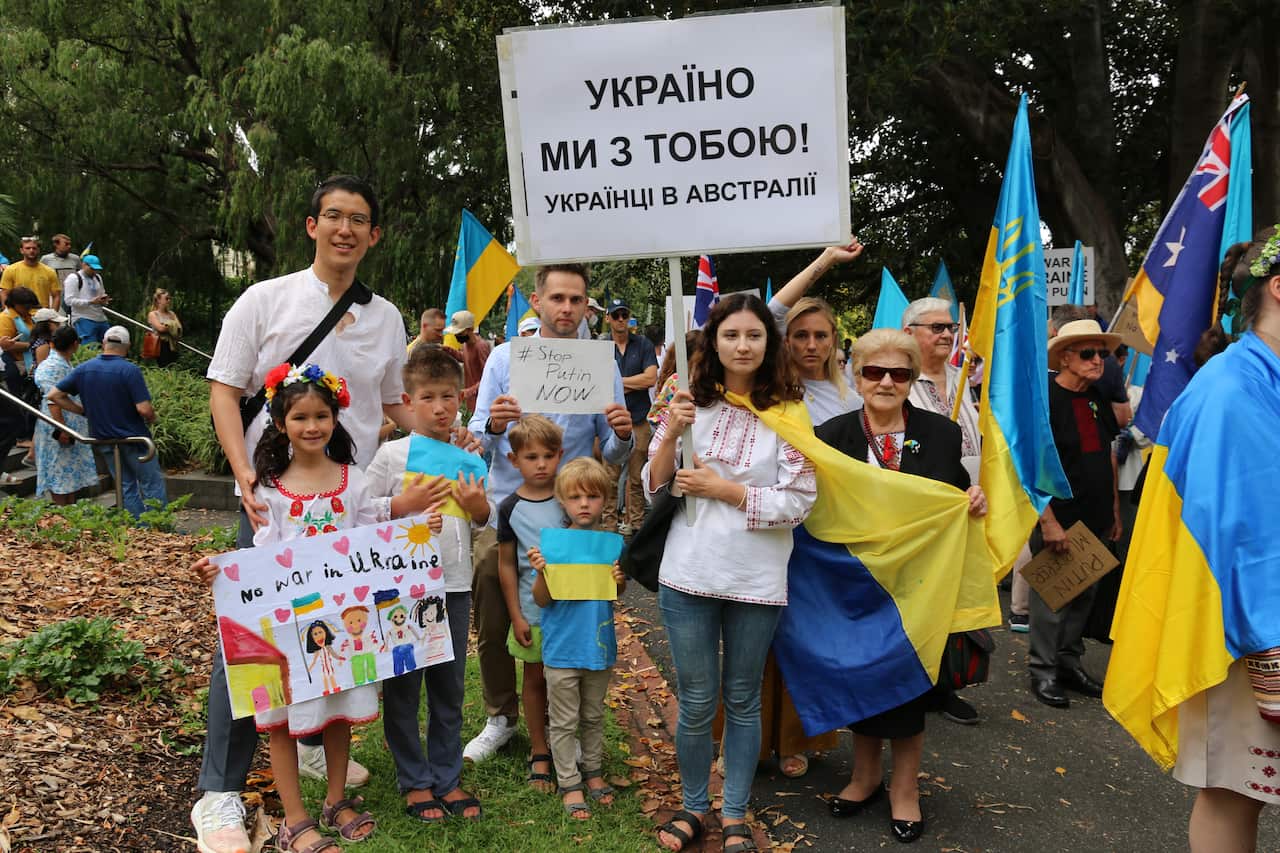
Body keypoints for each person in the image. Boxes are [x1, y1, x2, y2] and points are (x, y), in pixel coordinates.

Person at [198, 175, 430, 852]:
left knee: (338, 638)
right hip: (275, 501)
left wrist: (452, 433)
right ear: (311, 225)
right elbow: (224, 389)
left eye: (358, 219)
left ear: (374, 234)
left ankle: (310, 750)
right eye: (333, 215)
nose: (344, 229)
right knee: (252, 644)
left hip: (349, 508)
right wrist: (244, 473)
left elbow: (394, 402)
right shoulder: (264, 300)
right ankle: (219, 790)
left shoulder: (386, 317)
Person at [1106, 230, 1280, 853]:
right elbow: (1249, 535)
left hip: (1256, 622)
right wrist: (1270, 651)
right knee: (1235, 792)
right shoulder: (1233, 389)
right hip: (1248, 632)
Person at [647, 293, 817, 853]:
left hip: (757, 578)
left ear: (770, 344)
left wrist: (726, 490)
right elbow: (654, 483)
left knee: (743, 698)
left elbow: (800, 501)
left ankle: (736, 812)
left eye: (754, 335)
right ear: (713, 342)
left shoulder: (790, 412)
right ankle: (695, 806)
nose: (743, 346)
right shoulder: (687, 401)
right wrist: (671, 432)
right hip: (688, 572)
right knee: (697, 700)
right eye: (731, 335)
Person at [193, 364, 380, 853]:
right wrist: (223, 572)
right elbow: (260, 558)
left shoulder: (354, 481)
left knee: (337, 713)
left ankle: (335, 800)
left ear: (336, 418)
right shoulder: (269, 489)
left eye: (321, 416)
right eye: (300, 417)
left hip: (339, 623)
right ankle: (294, 820)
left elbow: (373, 540)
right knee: (282, 719)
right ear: (280, 423)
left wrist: (416, 530)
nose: (312, 426)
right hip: (287, 627)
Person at [813, 329, 987, 844]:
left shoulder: (941, 432)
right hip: (855, 582)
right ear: (856, 376)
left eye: (899, 373)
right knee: (863, 678)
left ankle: (905, 789)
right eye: (874, 371)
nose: (886, 382)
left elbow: (954, 491)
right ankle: (865, 777)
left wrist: (972, 498)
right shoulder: (831, 435)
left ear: (912, 378)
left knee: (910, 684)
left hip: (918, 585)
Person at [464, 264, 633, 764]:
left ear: (587, 307)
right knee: (494, 615)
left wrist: (622, 435)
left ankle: (567, 721)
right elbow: (477, 438)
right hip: (507, 509)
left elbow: (611, 451)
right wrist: (495, 426)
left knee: (569, 617)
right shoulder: (504, 358)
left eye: (576, 299)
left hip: (569, 517)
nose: (566, 308)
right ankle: (500, 716)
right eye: (557, 297)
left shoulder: (600, 364)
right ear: (536, 301)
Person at [367, 345, 488, 823]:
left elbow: (481, 517)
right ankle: (415, 780)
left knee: (448, 686)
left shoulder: (467, 456)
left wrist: (477, 508)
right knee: (403, 686)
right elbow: (362, 516)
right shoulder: (391, 456)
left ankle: (447, 776)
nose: (440, 407)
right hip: (403, 589)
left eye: (449, 396)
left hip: (453, 586)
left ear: (460, 398)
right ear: (408, 401)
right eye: (429, 397)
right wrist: (402, 507)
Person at [1028, 318, 1122, 709]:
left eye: (1101, 353)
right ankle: (1043, 671)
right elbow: (1029, 468)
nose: (1097, 360)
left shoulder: (1096, 396)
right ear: (1065, 358)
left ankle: (1068, 663)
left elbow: (1108, 454)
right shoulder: (1045, 401)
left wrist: (1114, 509)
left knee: (1084, 596)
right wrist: (1048, 521)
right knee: (1052, 601)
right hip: (1060, 518)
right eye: (1087, 353)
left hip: (1096, 516)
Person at [528, 457, 627, 819]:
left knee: (593, 715)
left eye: (593, 496)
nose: (584, 504)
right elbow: (542, 600)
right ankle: (569, 782)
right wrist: (542, 573)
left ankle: (594, 772)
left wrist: (619, 581)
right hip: (562, 650)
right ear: (562, 501)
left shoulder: (610, 547)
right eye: (575, 497)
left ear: (606, 500)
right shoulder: (552, 548)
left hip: (598, 649)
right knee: (564, 720)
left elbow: (614, 594)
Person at [496, 415, 566, 792]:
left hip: (570, 612)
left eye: (548, 456)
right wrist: (516, 614)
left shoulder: (571, 498)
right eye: (531, 457)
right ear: (514, 460)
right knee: (535, 679)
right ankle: (539, 748)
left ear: (560, 455)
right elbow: (507, 564)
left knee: (568, 681)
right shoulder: (509, 508)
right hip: (533, 611)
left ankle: (568, 743)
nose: (541, 464)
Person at [46, 326, 167, 517]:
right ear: (127, 346)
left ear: (104, 343)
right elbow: (144, 409)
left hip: (103, 438)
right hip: (134, 439)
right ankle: (158, 525)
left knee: (125, 485)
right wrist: (153, 418)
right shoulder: (130, 370)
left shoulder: (84, 369)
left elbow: (54, 395)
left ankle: (138, 526)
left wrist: (83, 411)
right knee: (151, 483)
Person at [603, 298, 658, 536]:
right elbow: (597, 382)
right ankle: (608, 529)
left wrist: (616, 383)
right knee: (609, 480)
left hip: (639, 420)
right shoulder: (600, 346)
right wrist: (633, 383)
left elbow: (651, 379)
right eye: (616, 315)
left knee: (637, 479)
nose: (621, 319)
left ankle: (636, 526)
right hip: (610, 424)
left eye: (624, 314)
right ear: (608, 318)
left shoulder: (643, 344)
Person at [31, 326, 97, 504]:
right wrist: (62, 428)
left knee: (68, 472)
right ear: (75, 344)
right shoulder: (53, 366)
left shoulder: (60, 363)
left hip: (67, 422)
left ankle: (70, 509)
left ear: (52, 343)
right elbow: (52, 401)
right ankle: (63, 512)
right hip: (59, 423)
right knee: (59, 472)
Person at [443, 309, 491, 412]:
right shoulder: (465, 344)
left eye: (460, 333)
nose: (457, 336)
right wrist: (448, 350)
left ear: (470, 329)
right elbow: (465, 358)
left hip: (481, 400)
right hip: (472, 400)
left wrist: (469, 391)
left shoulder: (480, 347)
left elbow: (488, 377)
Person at [62, 255, 111, 344]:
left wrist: (103, 300)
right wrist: (90, 302)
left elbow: (101, 293)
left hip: (100, 317)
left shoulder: (98, 278)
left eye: (96, 269)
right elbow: (69, 300)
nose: (94, 271)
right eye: (92, 268)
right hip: (83, 318)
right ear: (84, 265)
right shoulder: (74, 278)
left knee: (108, 343)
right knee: (89, 346)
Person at [1, 237, 60, 310]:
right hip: (19, 313)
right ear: (21, 250)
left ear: (38, 250)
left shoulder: (49, 271)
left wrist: (53, 314)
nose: (31, 250)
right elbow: (4, 293)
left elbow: (56, 296)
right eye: (28, 248)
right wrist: (9, 313)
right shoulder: (11, 270)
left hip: (42, 313)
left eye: (34, 248)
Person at [146, 289, 183, 367]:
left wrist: (167, 325)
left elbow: (179, 329)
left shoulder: (172, 314)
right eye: (166, 298)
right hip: (160, 345)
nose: (169, 301)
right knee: (163, 367)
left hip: (173, 344)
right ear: (158, 300)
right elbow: (161, 328)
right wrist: (172, 325)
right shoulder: (153, 314)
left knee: (173, 367)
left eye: (169, 298)